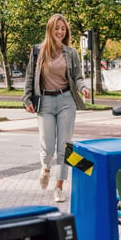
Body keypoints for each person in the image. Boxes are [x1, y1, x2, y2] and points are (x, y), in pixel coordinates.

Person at [22, 13, 91, 203]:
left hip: (66, 100)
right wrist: (26, 98)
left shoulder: (71, 53)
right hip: (44, 101)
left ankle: (59, 187)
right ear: (50, 30)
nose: (60, 32)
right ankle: (45, 168)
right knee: (48, 145)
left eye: (63, 29)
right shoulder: (38, 51)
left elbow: (77, 77)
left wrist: (83, 88)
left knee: (65, 146)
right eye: (57, 28)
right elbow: (30, 76)